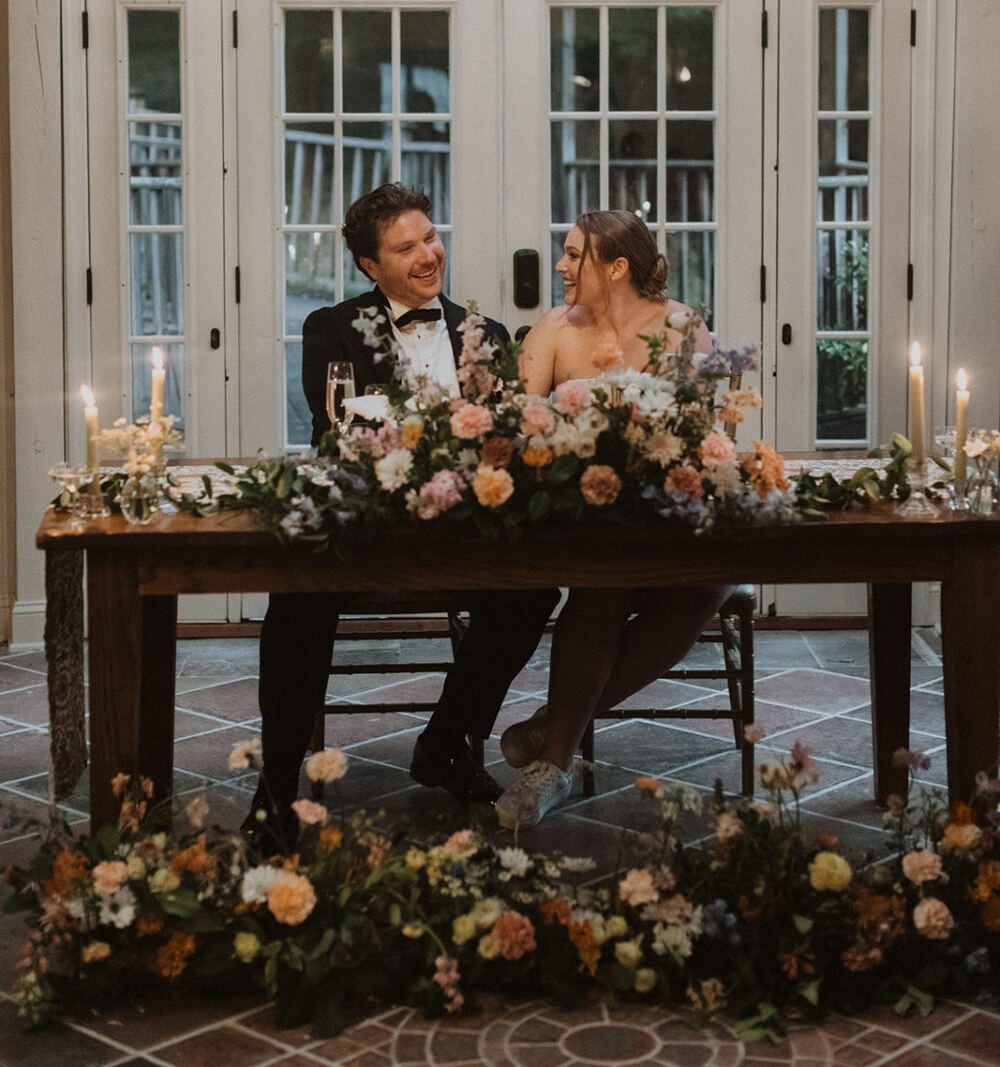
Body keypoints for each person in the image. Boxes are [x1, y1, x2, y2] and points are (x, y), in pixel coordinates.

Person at [246, 182, 558, 849]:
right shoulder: (331, 327)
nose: (428, 255)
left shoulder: (485, 332)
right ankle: (275, 788)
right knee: (297, 598)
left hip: (463, 531)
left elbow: (503, 435)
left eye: (431, 237)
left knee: (533, 590)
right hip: (366, 529)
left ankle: (445, 742)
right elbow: (340, 431)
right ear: (370, 266)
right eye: (405, 246)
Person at [495, 209, 733, 830]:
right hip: (582, 516)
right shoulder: (552, 330)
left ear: (617, 267)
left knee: (709, 581)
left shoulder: (682, 327)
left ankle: (555, 725)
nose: (562, 267)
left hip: (669, 510)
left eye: (575, 256)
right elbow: (518, 431)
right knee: (605, 580)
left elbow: (697, 431)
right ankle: (553, 764)